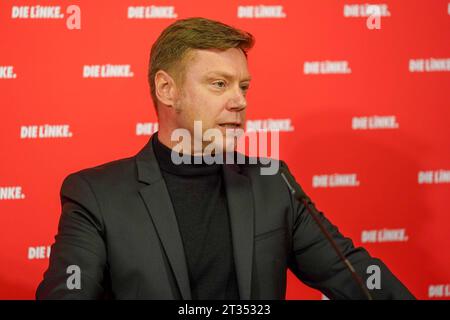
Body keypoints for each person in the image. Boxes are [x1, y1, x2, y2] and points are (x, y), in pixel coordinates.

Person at [36, 17, 415, 300]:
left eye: (243, 85)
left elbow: (352, 272)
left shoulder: (272, 181)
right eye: (220, 84)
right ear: (167, 89)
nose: (240, 101)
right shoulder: (96, 194)